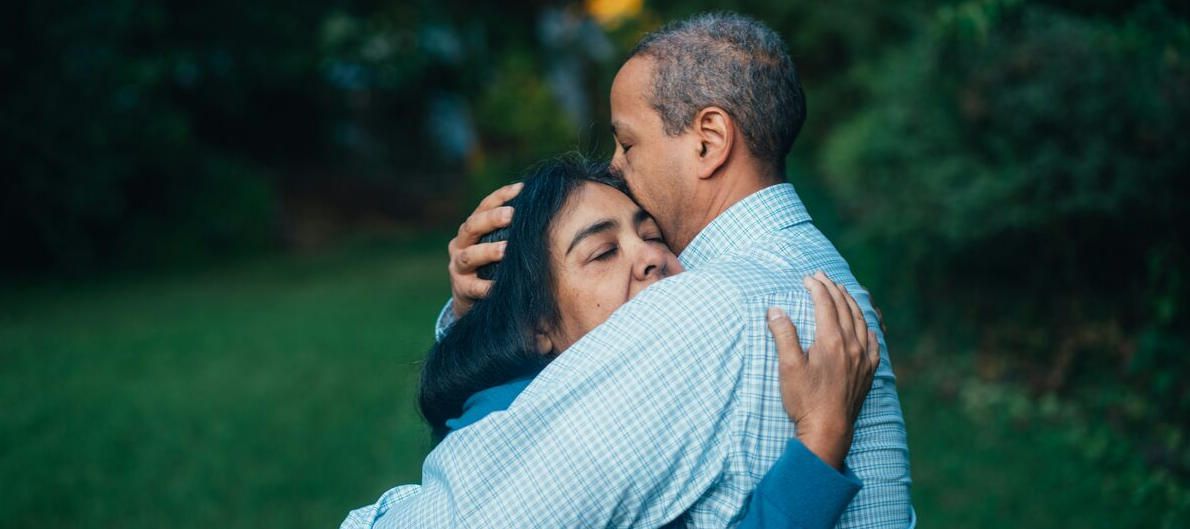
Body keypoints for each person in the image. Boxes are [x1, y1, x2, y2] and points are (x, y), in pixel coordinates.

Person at [364, 12, 913, 528]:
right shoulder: (818, 277)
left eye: (628, 142)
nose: (615, 165)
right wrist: (479, 312)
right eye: (603, 251)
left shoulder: (705, 309)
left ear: (709, 141)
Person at [343, 157, 879, 529]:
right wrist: (820, 439)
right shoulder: (548, 457)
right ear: (537, 326)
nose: (650, 257)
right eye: (603, 253)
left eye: (651, 235)